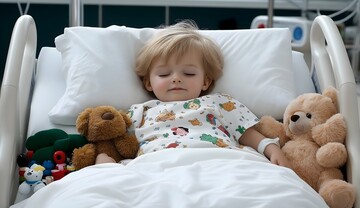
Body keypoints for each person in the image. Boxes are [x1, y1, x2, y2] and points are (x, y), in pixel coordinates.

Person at [96, 20, 291, 168]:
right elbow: (119, 144)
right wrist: (104, 159)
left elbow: (246, 133)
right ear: (148, 82)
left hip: (223, 163)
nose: (176, 79)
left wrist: (271, 148)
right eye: (164, 74)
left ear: (205, 81)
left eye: (188, 73)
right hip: (158, 165)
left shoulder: (220, 103)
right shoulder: (140, 111)